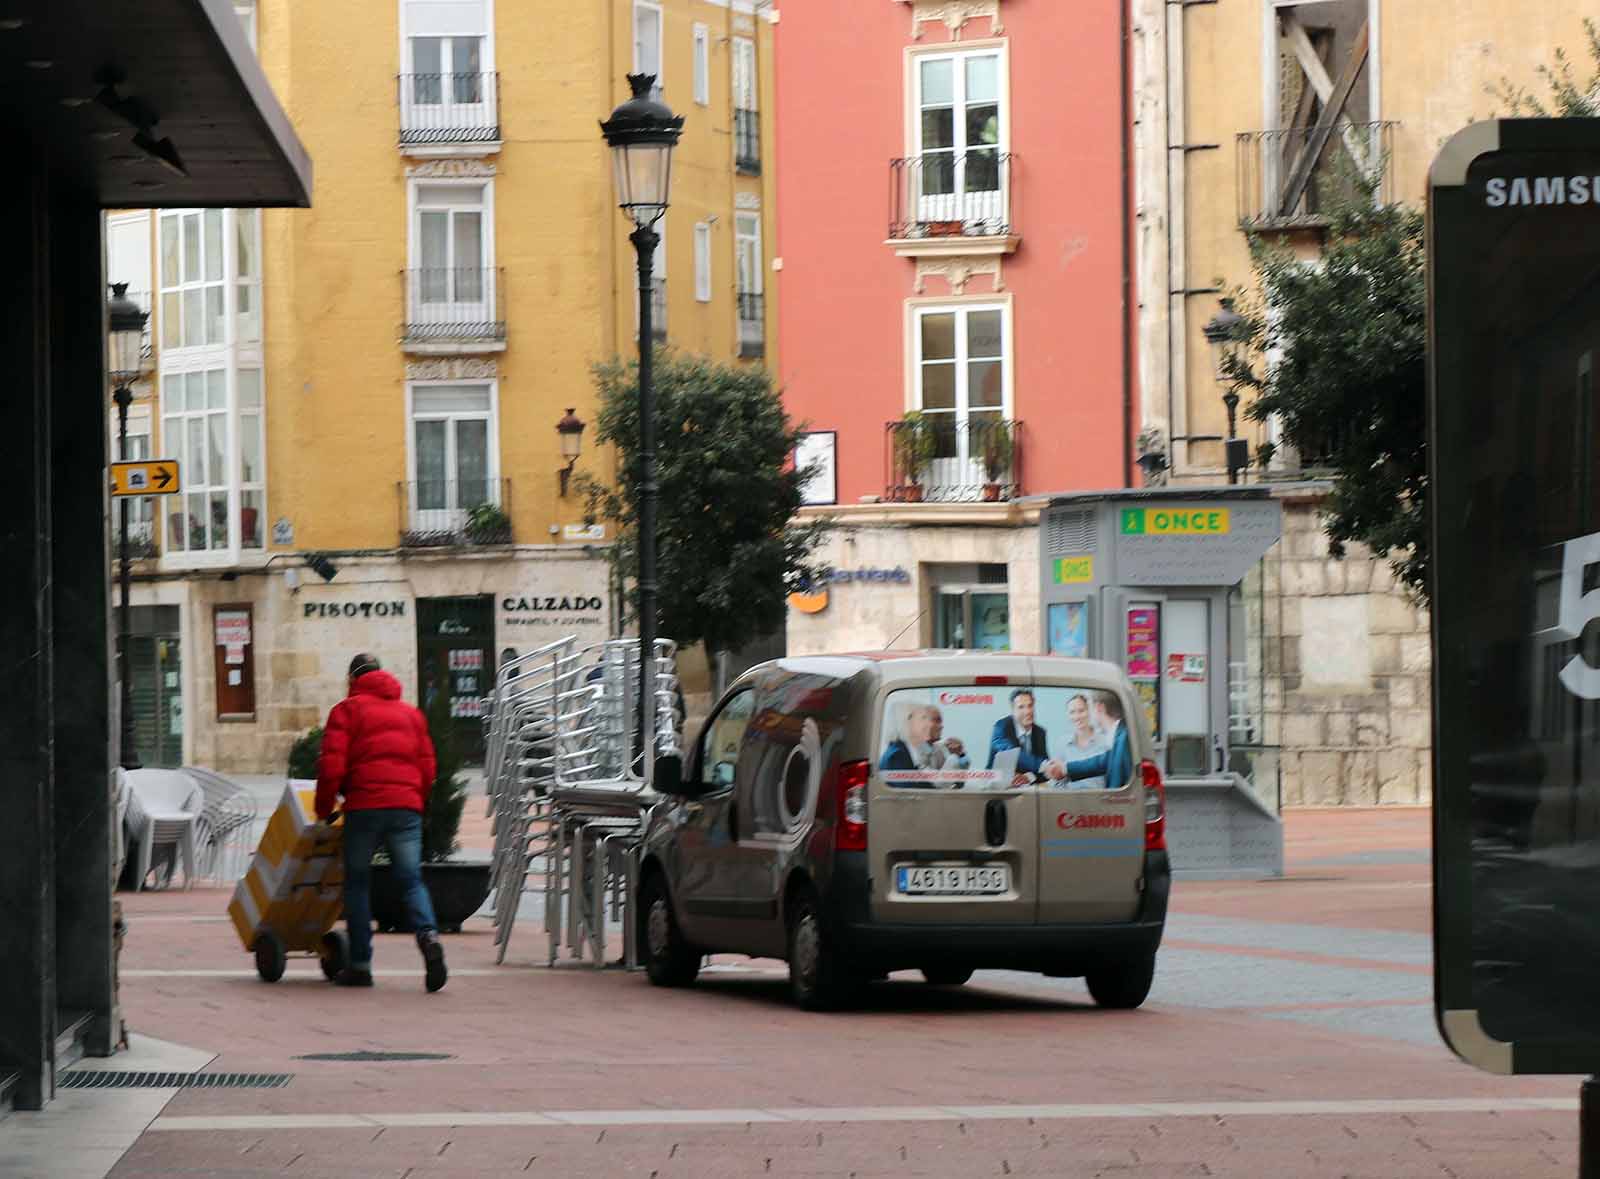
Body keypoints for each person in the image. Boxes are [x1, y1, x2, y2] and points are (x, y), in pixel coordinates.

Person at [316, 652, 448, 992]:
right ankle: (429, 936)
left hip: (364, 807)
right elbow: (428, 768)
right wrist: (416, 799)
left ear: (352, 680)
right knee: (411, 880)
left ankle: (360, 965)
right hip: (406, 808)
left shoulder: (346, 710)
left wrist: (323, 809)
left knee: (358, 884)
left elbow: (332, 767)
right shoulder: (411, 714)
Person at [1057, 690, 1134, 789]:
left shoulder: (1124, 738)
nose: (1078, 716)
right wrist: (1065, 769)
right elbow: (1100, 763)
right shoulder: (1118, 737)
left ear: (1099, 708)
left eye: (1088, 708)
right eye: (1072, 712)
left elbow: (1131, 787)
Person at [1045, 694, 1109, 789]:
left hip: (1098, 799)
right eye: (1072, 712)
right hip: (1070, 800)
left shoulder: (1105, 742)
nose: (1077, 716)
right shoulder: (1062, 743)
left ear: (1089, 711)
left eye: (1081, 711)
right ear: (1068, 715)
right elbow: (1055, 781)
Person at [987, 688, 1049, 786]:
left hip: (1027, 791)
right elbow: (1012, 751)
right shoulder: (1001, 727)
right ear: (1013, 710)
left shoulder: (1040, 732)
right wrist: (1044, 765)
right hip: (998, 787)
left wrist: (1028, 777)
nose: (1027, 711)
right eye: (1021, 707)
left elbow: (1045, 774)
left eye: (1030, 706)